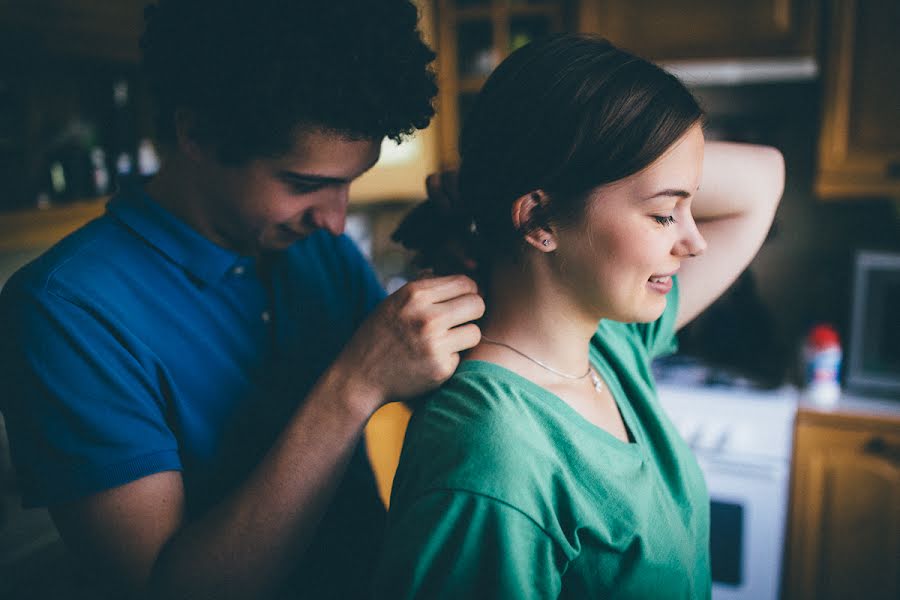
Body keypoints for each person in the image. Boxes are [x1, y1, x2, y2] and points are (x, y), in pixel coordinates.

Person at [0, 1, 484, 598]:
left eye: (350, 182)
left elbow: (437, 401)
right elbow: (161, 590)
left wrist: (485, 264)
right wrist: (352, 385)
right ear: (198, 133)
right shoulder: (64, 310)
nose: (335, 221)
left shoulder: (312, 248)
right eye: (305, 184)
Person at [375, 33, 784, 599]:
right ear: (540, 219)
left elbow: (766, 178)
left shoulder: (611, 344)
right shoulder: (492, 457)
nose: (695, 241)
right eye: (666, 214)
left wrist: (659, 161)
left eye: (690, 205)